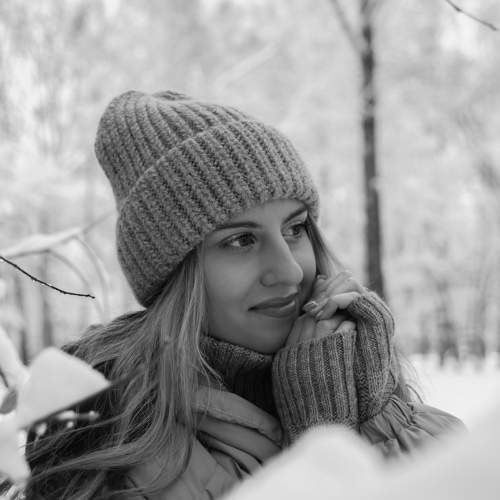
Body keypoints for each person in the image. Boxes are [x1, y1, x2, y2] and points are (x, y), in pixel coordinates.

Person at [23, 90, 464, 500]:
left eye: (295, 229)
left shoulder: (358, 374)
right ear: (175, 274)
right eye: (241, 240)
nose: (290, 270)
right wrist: (322, 440)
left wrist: (378, 413)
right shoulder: (107, 440)